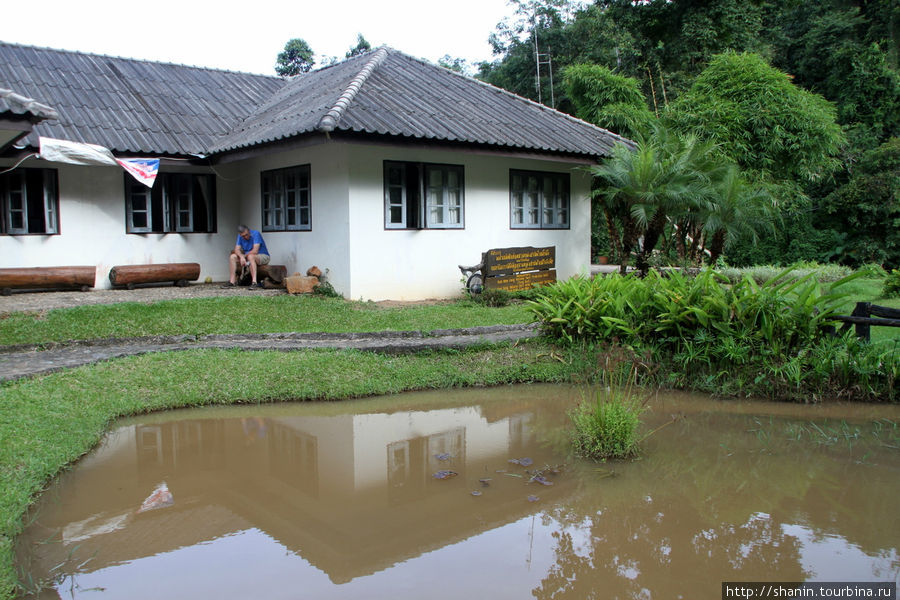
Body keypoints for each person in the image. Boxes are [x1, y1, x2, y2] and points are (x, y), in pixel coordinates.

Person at [222, 225, 270, 289]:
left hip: (262, 256)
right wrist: (241, 257)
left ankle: (254, 282)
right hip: (247, 256)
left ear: (249, 231)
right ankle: (232, 281)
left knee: (250, 256)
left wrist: (244, 256)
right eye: (243, 236)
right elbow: (237, 249)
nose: (245, 237)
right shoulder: (240, 236)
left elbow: (255, 251)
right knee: (232, 257)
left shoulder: (256, 234)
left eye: (246, 235)